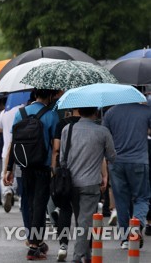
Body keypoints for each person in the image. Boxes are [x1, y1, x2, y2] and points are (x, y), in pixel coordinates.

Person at [4, 89, 60, 260]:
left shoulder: (20, 113)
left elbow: (14, 144)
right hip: (42, 166)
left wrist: (9, 169)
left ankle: (34, 240)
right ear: (49, 96)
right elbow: (55, 147)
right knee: (40, 205)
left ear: (35, 95)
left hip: (24, 166)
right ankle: (35, 246)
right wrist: (53, 168)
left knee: (28, 203)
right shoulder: (51, 115)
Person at [58, 107, 115, 262]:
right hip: (91, 183)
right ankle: (77, 257)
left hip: (71, 184)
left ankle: (87, 255)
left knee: (81, 220)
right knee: (85, 221)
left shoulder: (67, 129)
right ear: (95, 113)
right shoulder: (102, 131)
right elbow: (112, 156)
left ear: (79, 111)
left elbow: (62, 159)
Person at [103, 102, 151, 249]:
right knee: (142, 197)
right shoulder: (146, 111)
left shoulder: (110, 113)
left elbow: (105, 137)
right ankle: (137, 224)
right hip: (139, 161)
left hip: (116, 162)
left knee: (121, 200)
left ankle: (124, 238)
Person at [52, 109, 81, 261]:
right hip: (86, 174)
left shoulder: (62, 124)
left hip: (65, 174)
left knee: (65, 209)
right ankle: (84, 248)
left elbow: (56, 149)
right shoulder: (92, 125)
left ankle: (63, 246)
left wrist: (53, 170)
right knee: (82, 213)